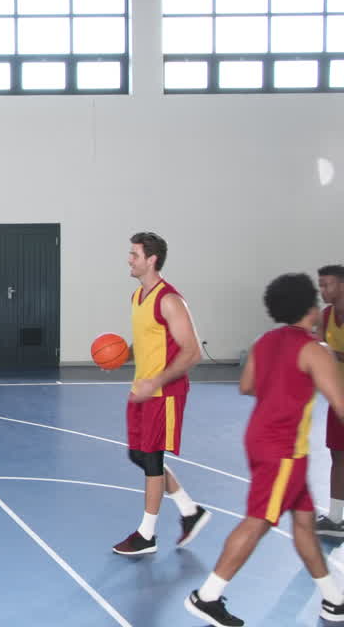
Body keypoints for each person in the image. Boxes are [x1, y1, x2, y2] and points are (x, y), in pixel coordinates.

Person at [185, 273, 344, 626]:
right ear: (310, 308)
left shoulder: (264, 341)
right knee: (258, 520)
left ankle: (334, 600)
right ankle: (207, 596)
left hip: (264, 441)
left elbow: (247, 386)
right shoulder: (315, 351)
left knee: (303, 524)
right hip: (283, 450)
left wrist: (283, 388)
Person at [113, 232, 210, 556]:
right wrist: (118, 356)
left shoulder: (169, 300)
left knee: (152, 458)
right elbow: (144, 344)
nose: (130, 259)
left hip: (163, 393)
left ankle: (147, 535)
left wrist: (156, 382)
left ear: (151, 259)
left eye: (134, 254)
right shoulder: (137, 298)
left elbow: (192, 352)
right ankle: (189, 511)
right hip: (141, 391)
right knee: (138, 455)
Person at [316, 264, 344, 537]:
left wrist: (332, 354)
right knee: (337, 455)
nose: (323, 290)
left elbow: (330, 353)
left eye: (327, 284)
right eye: (320, 285)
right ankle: (336, 519)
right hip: (339, 398)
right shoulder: (326, 316)